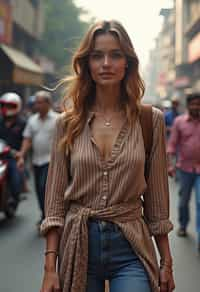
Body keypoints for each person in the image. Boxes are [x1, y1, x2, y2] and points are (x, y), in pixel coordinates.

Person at [40, 20, 175, 292]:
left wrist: (166, 262)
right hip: (79, 245)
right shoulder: (68, 123)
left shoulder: (150, 121)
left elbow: (157, 201)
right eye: (97, 55)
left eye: (115, 55)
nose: (106, 63)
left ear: (128, 63)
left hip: (131, 247)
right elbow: (54, 201)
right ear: (86, 64)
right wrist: (49, 268)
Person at [17, 90, 59, 225]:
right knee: (38, 190)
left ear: (48, 103)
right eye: (36, 103)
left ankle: (50, 215)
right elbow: (27, 139)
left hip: (52, 160)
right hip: (36, 161)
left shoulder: (58, 119)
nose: (37, 105)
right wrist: (21, 155)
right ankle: (44, 214)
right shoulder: (32, 120)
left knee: (44, 187)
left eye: (40, 102)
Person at [167, 93, 200, 250]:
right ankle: (183, 225)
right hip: (185, 169)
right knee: (183, 202)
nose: (196, 107)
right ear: (187, 106)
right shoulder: (179, 122)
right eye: (193, 104)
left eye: (199, 104)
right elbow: (172, 145)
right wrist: (170, 164)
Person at [0, 92, 26, 209]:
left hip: (13, 158)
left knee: (15, 179)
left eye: (10, 106)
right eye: (4, 106)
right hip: (0, 156)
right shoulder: (0, 122)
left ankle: (15, 195)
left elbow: (26, 140)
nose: (6, 109)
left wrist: (19, 153)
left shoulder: (22, 123)